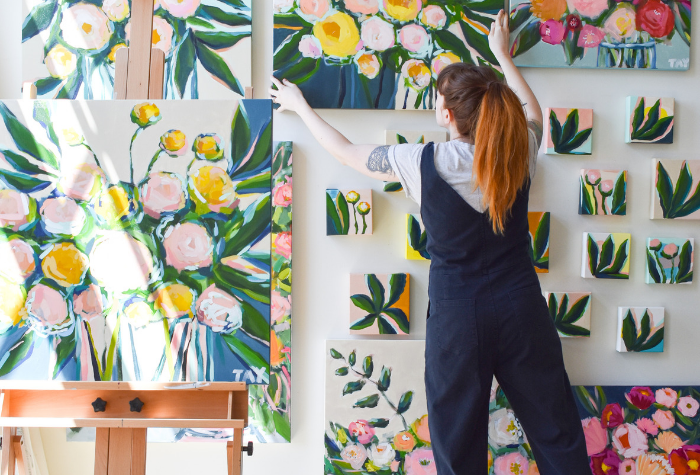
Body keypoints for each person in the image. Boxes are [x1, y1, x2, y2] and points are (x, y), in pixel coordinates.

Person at [270, 10, 591, 475]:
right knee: (557, 434)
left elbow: (345, 151)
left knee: (457, 447)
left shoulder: (419, 160)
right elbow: (533, 113)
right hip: (521, 308)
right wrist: (502, 54)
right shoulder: (517, 149)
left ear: (446, 113)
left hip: (457, 318)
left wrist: (300, 107)